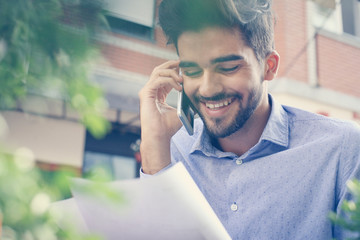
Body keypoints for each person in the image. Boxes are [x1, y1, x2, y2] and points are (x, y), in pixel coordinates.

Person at [138, 0, 360, 239]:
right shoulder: (171, 153)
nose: (208, 89)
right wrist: (155, 154)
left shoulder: (343, 149)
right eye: (192, 71)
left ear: (269, 66)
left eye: (229, 67)